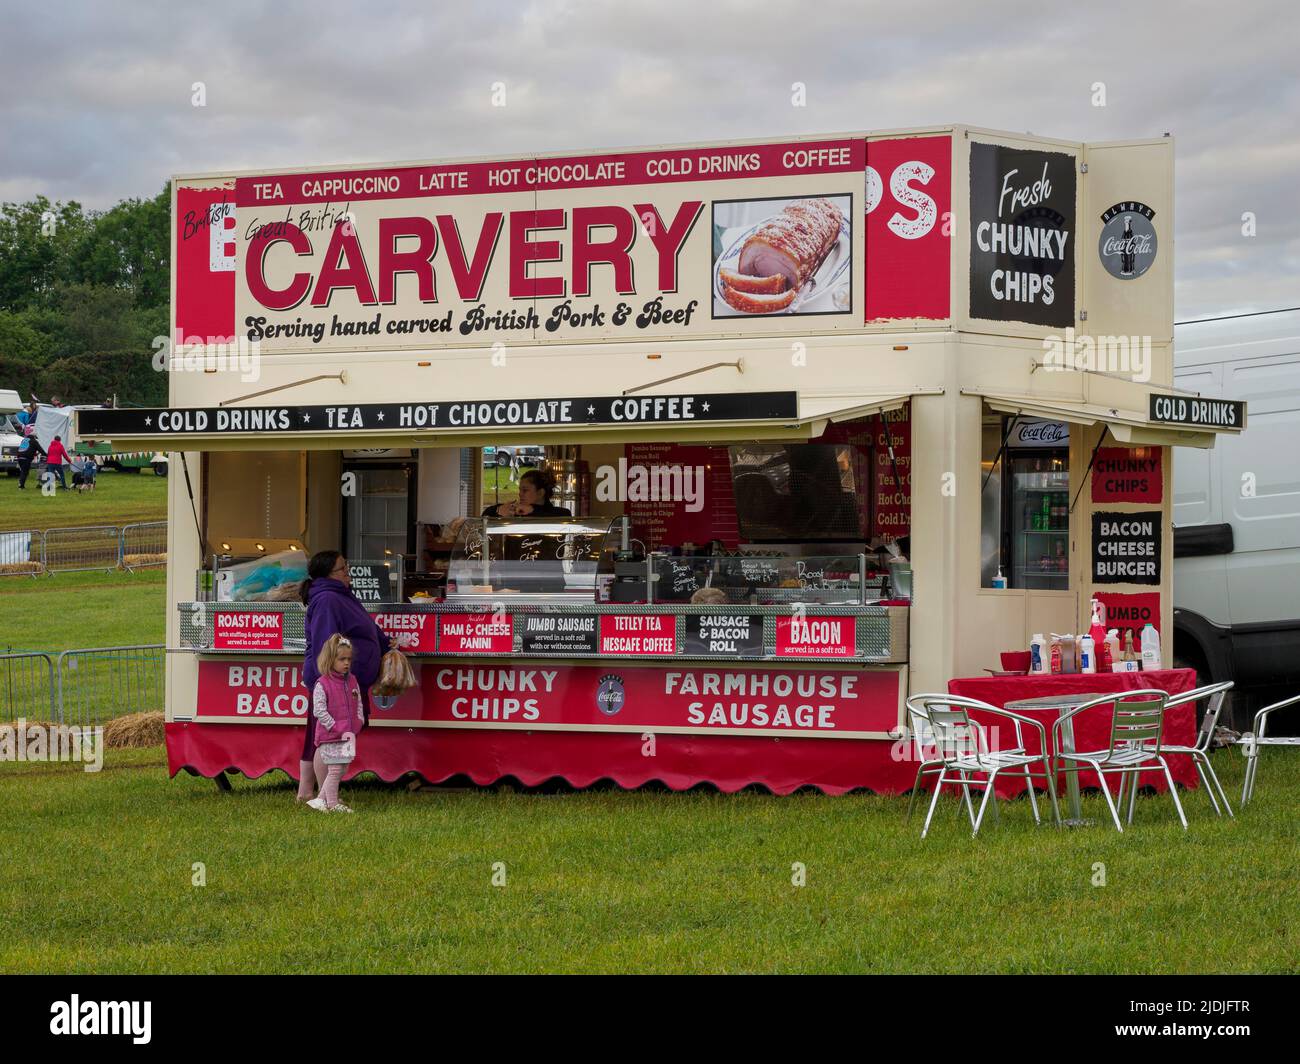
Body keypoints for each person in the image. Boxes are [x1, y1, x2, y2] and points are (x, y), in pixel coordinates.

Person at [296, 550, 393, 803]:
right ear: (330, 574)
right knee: (329, 738)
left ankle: (309, 792)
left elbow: (365, 627)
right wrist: (334, 678)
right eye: (343, 568)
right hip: (334, 681)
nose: (348, 572)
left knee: (321, 735)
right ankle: (324, 797)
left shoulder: (340, 595)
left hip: (343, 679)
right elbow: (326, 642)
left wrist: (384, 643)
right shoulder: (328, 599)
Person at [306, 634, 363, 813]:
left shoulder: (352, 680)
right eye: (341, 659)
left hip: (348, 735)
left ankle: (320, 800)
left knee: (343, 768)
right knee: (336, 769)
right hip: (331, 735)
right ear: (330, 659)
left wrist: (359, 721)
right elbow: (319, 711)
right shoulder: (322, 684)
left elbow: (358, 702)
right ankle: (332, 804)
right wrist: (334, 726)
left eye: (349, 659)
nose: (346, 663)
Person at [481, 469, 572, 518]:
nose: (520, 494)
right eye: (520, 490)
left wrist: (533, 510)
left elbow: (564, 515)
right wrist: (499, 510)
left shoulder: (558, 514)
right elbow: (486, 515)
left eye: (525, 490)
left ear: (540, 493)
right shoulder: (516, 511)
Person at [15, 425, 45, 490]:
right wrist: (47, 455)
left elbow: (26, 449)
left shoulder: (24, 440)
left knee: (24, 471)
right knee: (24, 472)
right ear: (34, 436)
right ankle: (21, 486)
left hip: (19, 458)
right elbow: (41, 450)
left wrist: (34, 453)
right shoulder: (34, 441)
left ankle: (21, 483)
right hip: (26, 459)